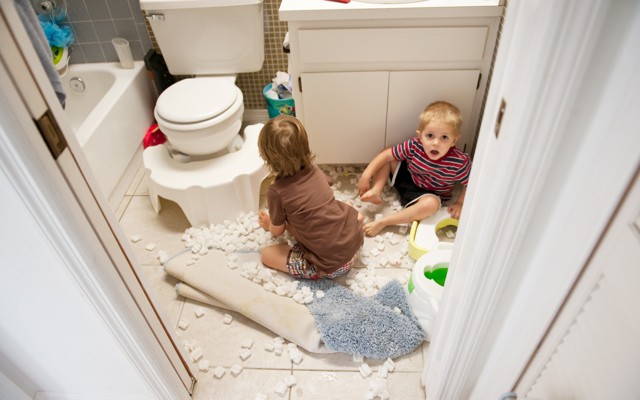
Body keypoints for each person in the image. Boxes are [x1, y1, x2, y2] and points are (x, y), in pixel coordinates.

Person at [257, 115, 364, 279]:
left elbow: (278, 231)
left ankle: (315, 271)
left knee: (266, 255)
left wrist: (269, 224)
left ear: (267, 157)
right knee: (333, 208)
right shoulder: (315, 170)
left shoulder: (276, 191)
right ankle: (354, 222)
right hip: (355, 245)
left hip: (331, 267)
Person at [357, 101, 472, 236]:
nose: (435, 143)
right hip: (410, 179)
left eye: (444, 138)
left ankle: (385, 222)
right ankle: (377, 190)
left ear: (454, 140)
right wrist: (366, 175)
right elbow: (387, 156)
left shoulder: (459, 161)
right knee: (388, 152)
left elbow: (470, 182)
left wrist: (460, 203)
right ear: (420, 135)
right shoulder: (414, 145)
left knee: (432, 204)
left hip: (428, 196)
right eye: (430, 136)